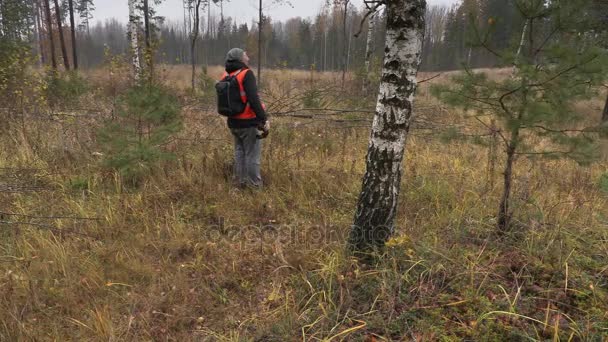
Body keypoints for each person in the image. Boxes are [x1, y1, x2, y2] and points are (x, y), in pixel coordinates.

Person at [222, 48, 269, 188]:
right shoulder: (246, 74)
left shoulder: (226, 75)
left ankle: (239, 184)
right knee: (252, 156)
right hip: (248, 123)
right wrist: (264, 119)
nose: (248, 57)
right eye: (245, 55)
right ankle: (255, 187)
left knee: (239, 153)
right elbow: (253, 99)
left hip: (233, 123)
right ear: (240, 59)